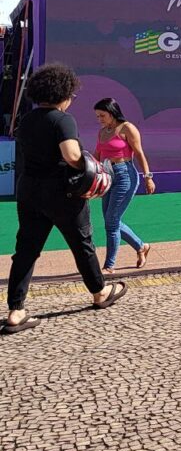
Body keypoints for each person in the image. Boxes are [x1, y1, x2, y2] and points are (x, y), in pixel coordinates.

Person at [5, 64, 128, 334]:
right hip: (61, 192)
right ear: (63, 94)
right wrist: (92, 168)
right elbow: (72, 155)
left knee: (26, 248)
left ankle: (16, 310)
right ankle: (99, 292)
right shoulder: (63, 120)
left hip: (29, 190)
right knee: (81, 242)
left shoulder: (27, 119)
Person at [93, 98, 156, 274]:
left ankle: (109, 265)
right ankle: (141, 246)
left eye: (102, 115)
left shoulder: (127, 128)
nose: (100, 119)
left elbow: (139, 153)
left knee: (111, 221)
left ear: (112, 113)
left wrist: (148, 177)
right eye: (97, 116)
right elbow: (97, 155)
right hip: (107, 176)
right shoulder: (102, 132)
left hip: (125, 175)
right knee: (110, 220)